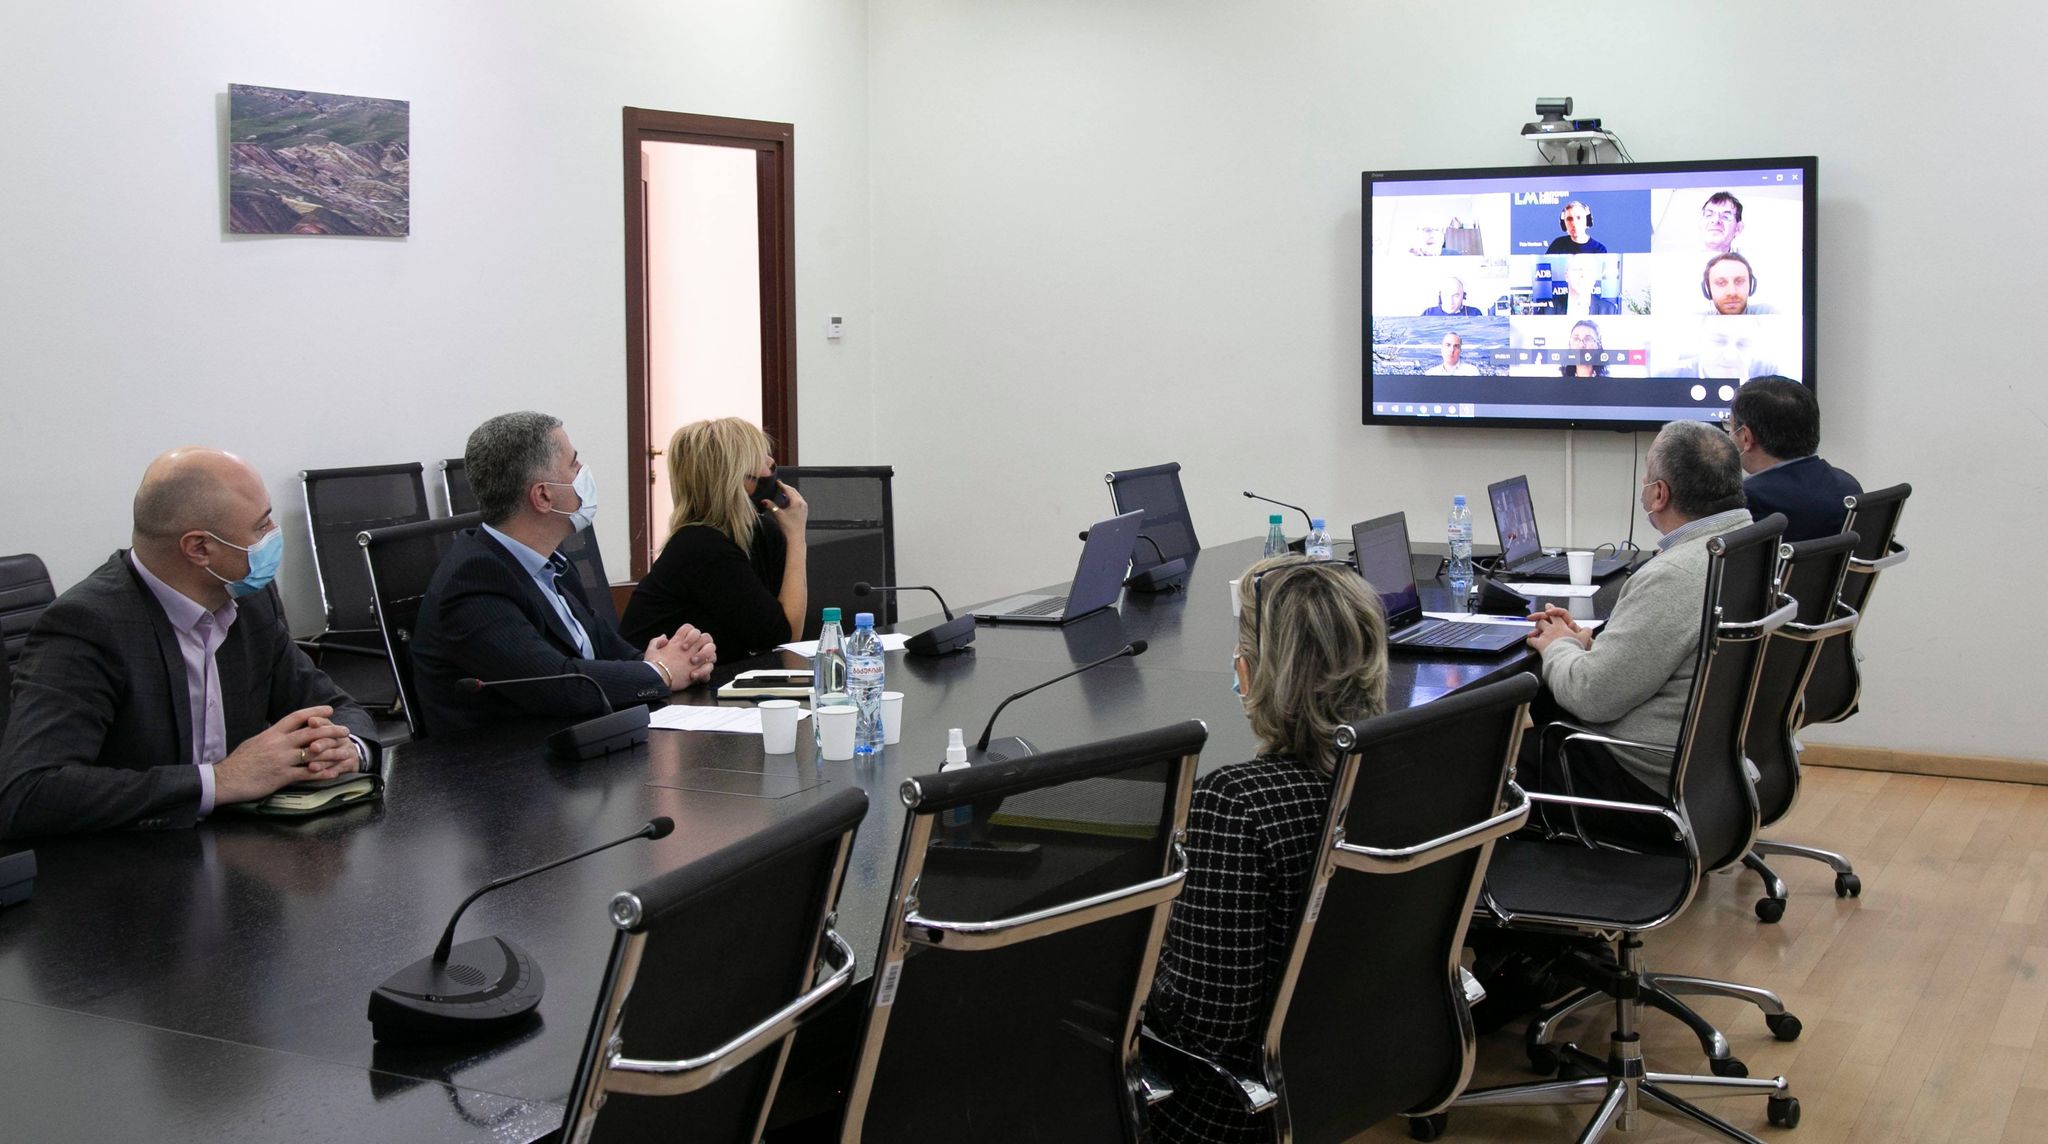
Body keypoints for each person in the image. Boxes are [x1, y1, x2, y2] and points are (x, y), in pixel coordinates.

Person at [0, 447, 377, 839]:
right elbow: (28, 793)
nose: (273, 534)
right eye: (261, 525)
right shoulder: (88, 625)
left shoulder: (249, 599)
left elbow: (336, 707)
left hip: (241, 849)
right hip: (134, 861)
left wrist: (346, 748)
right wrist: (220, 781)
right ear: (199, 548)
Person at [1147, 555, 1388, 1144]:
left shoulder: (1234, 805)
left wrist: (1126, 970)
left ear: (1251, 673)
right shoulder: (1397, 770)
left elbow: (1203, 1027)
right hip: (1369, 1060)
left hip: (1227, 1108)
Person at [410, 412, 716, 736]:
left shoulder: (553, 564)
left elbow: (606, 647)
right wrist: (661, 672)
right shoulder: (473, 581)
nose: (583, 472)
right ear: (543, 496)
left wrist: (676, 661)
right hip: (506, 759)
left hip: (578, 741)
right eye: (573, 464)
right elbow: (559, 684)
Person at [1522, 420, 1752, 819]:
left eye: (1647, 475)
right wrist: (1590, 647)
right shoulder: (1747, 546)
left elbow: (1591, 696)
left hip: (1642, 777)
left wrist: (1559, 645)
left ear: (1658, 494)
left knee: (1479, 758)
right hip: (1711, 771)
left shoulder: (1676, 574)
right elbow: (1669, 657)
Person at [620, 418, 810, 657]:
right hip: (656, 679)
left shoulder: (761, 533)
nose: (771, 462)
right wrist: (796, 536)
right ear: (735, 476)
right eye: (760, 456)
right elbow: (783, 635)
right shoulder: (701, 547)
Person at [1729, 376, 1861, 541]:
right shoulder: (1848, 485)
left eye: (1730, 427)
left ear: (1746, 437)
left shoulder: (1746, 501)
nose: (1729, 435)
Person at [1691, 315, 1775, 380]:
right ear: (1699, 340)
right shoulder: (1682, 373)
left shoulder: (1771, 376)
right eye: (1719, 341)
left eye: (1742, 344)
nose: (1729, 357)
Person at [1541, 255, 1622, 316]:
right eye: (1577, 269)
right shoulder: (1549, 309)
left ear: (1594, 278)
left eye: (1588, 270)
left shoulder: (1608, 310)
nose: (1582, 275)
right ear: (1566, 276)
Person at [1703, 251, 1773, 315]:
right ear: (1708, 290)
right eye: (1721, 283)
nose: (1732, 292)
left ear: (1751, 286)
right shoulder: (1698, 320)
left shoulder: (1768, 313)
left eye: (1739, 281)